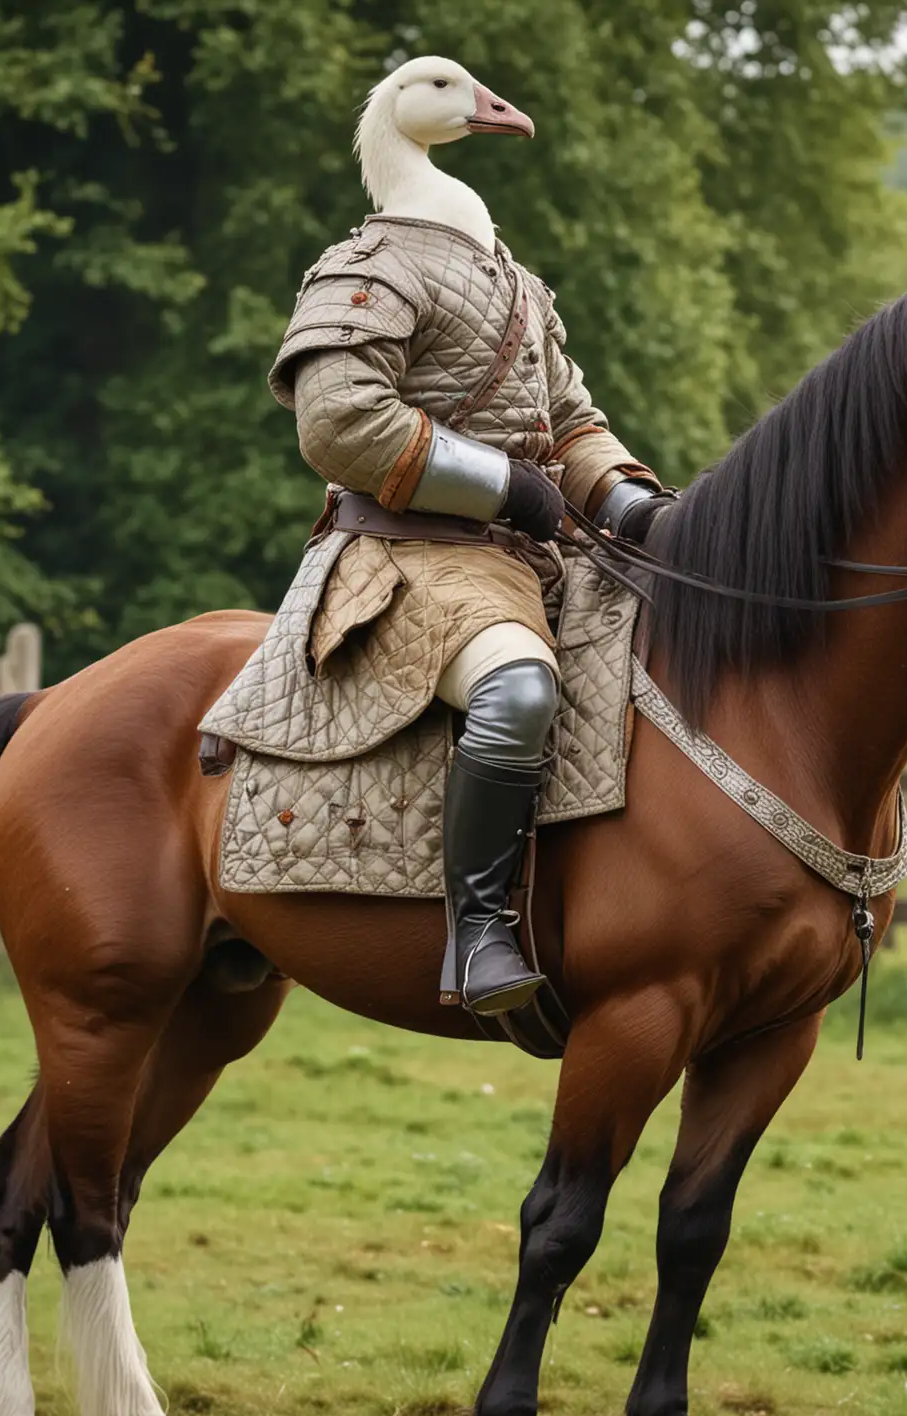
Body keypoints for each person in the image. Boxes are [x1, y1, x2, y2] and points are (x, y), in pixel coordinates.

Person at [268, 56, 669, 1016]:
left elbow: (569, 417)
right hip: (408, 558)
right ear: (403, 116)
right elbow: (338, 421)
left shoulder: (512, 278)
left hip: (534, 557)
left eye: (483, 91)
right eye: (453, 89)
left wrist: (627, 506)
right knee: (518, 688)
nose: (485, 104)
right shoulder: (369, 267)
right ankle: (479, 933)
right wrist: (505, 490)